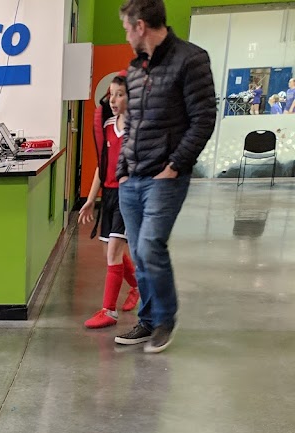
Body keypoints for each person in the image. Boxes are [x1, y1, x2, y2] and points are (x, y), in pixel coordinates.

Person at [113, 0, 216, 353]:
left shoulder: (191, 60)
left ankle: (165, 320)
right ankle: (148, 320)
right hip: (133, 177)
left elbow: (203, 119)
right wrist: (122, 171)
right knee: (139, 254)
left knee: (150, 246)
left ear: (140, 26)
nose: (126, 37)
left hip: (165, 177)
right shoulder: (135, 69)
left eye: (126, 29)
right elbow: (132, 125)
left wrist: (174, 166)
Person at [79, 73, 139, 329]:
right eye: (111, 94)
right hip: (109, 195)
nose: (113, 100)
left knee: (114, 252)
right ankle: (137, 286)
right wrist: (91, 199)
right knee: (110, 252)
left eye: (120, 94)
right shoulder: (107, 126)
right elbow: (101, 167)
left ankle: (109, 311)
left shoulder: (139, 129)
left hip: (129, 195)